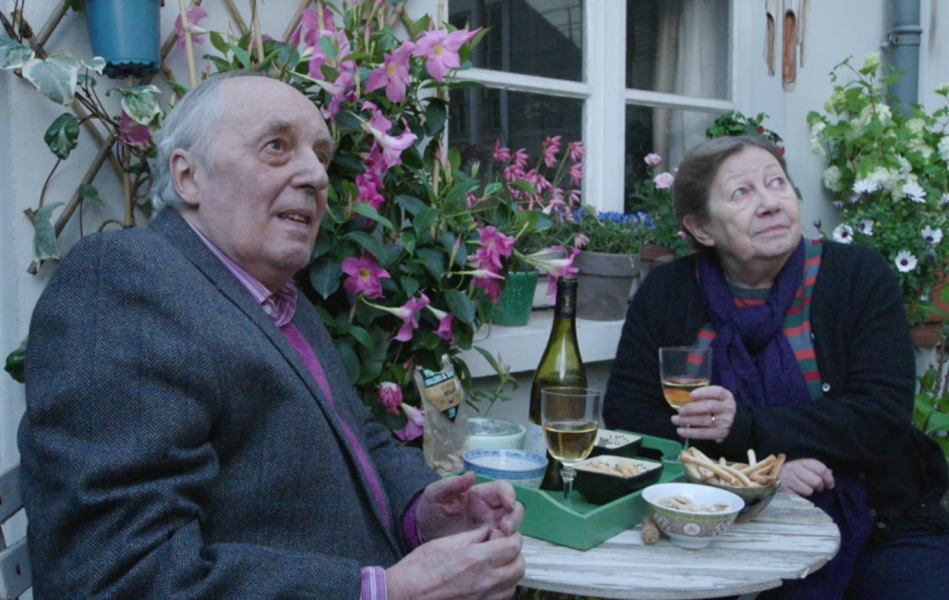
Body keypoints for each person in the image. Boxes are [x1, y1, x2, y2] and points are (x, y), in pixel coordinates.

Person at [19, 70, 525, 600]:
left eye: (321, 155)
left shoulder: (277, 300)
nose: (316, 175)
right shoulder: (126, 281)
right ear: (188, 176)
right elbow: (119, 575)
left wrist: (419, 512)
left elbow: (357, 436)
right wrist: (386, 591)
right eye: (277, 146)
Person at [604, 135, 949, 599]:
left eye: (777, 183)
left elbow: (879, 416)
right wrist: (757, 477)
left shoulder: (858, 277)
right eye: (741, 192)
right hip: (712, 515)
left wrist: (743, 429)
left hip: (878, 516)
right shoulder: (668, 292)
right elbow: (628, 416)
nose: (770, 203)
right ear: (702, 228)